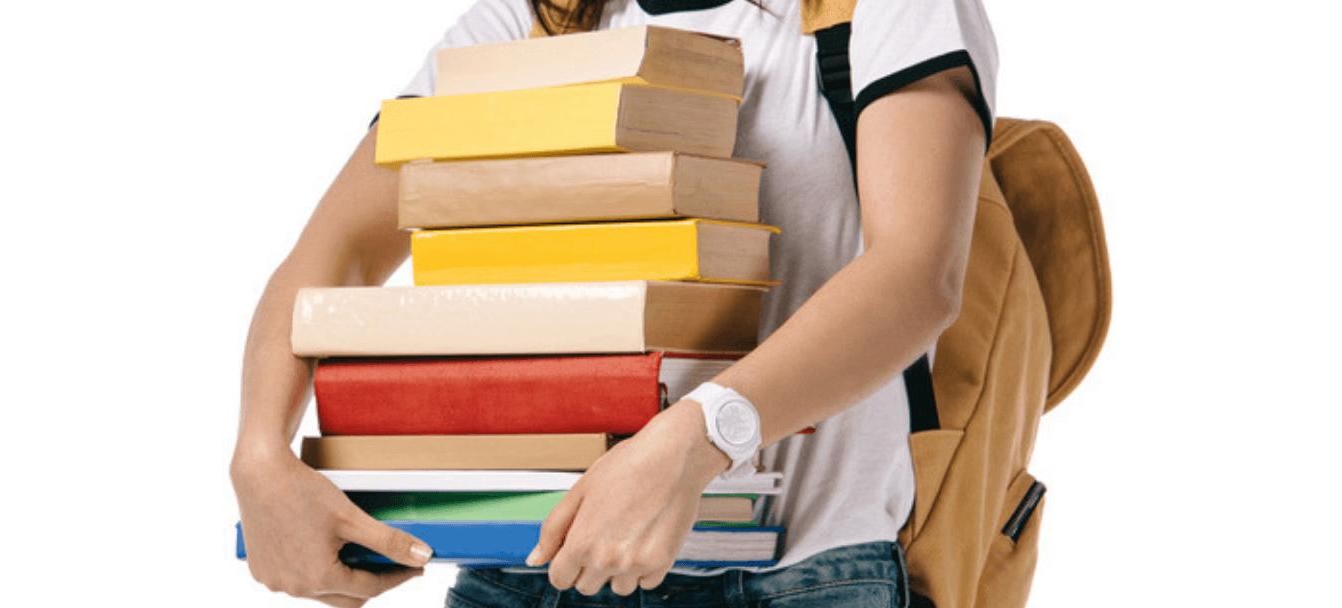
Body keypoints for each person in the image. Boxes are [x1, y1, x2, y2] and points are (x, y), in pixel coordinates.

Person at [231, 0, 997, 606]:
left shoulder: (878, 9)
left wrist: (696, 439)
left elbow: (916, 274)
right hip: (533, 575)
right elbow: (339, 252)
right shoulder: (541, 19)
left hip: (795, 577)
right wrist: (261, 457)